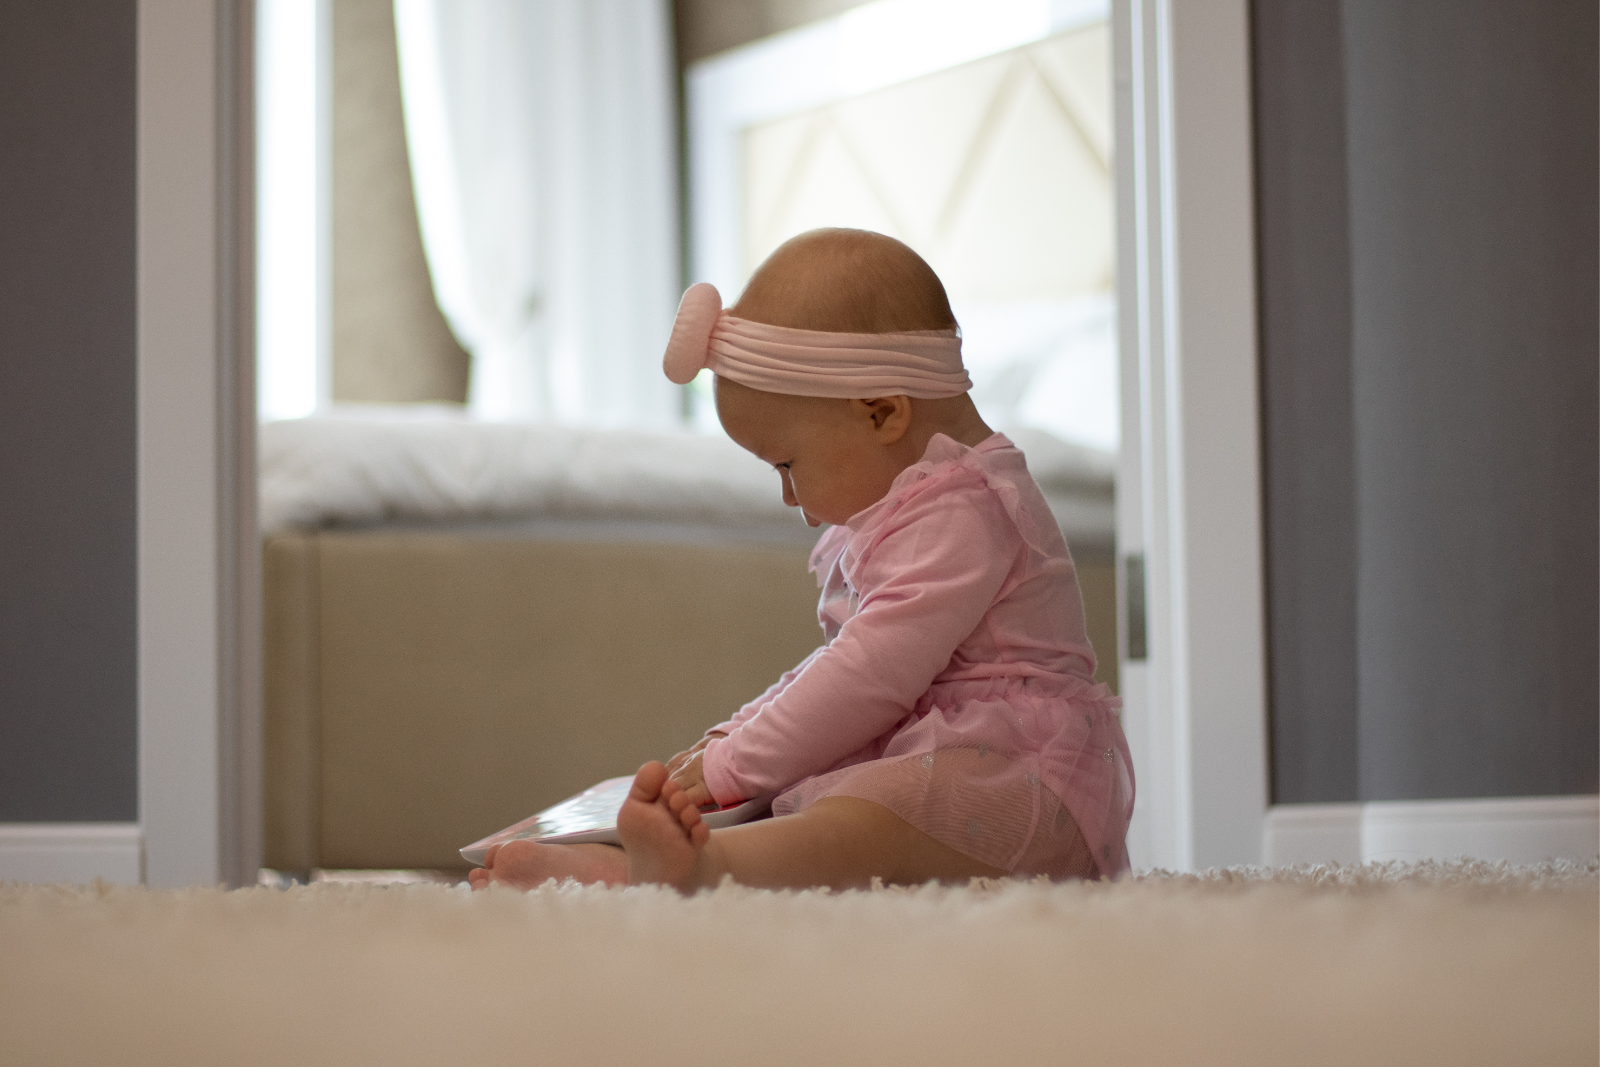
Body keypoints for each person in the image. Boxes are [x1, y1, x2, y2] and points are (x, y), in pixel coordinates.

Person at [468, 228, 1134, 893]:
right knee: (817, 797)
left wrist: (735, 763)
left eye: (787, 464)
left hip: (1025, 781)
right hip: (946, 752)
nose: (789, 497)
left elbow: (868, 672)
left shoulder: (966, 513)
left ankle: (702, 869)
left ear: (882, 413)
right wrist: (735, 735)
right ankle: (631, 865)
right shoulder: (927, 502)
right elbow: (843, 660)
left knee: (866, 821)